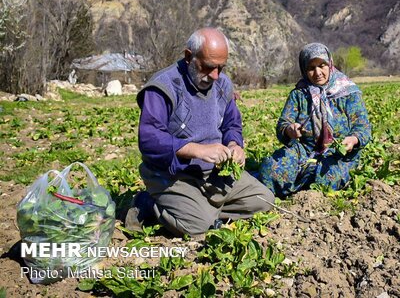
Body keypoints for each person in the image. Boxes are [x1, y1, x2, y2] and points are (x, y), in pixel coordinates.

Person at [125, 27, 274, 237]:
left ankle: (200, 210)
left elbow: (232, 124)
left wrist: (234, 145)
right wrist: (196, 150)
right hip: (174, 175)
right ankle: (148, 205)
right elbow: (150, 139)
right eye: (208, 67)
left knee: (263, 200)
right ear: (189, 57)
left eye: (221, 68)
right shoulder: (163, 87)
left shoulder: (223, 84)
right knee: (198, 227)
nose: (215, 75)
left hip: (213, 174)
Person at [258, 42, 372, 197]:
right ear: (304, 71)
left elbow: (363, 127)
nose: (317, 72)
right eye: (311, 68)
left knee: (329, 177)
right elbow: (283, 125)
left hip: (338, 153)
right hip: (304, 151)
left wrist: (353, 140)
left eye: (322, 65)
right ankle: (302, 179)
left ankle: (303, 183)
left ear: (330, 65)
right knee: (270, 168)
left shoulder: (348, 92)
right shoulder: (299, 95)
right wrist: (289, 130)